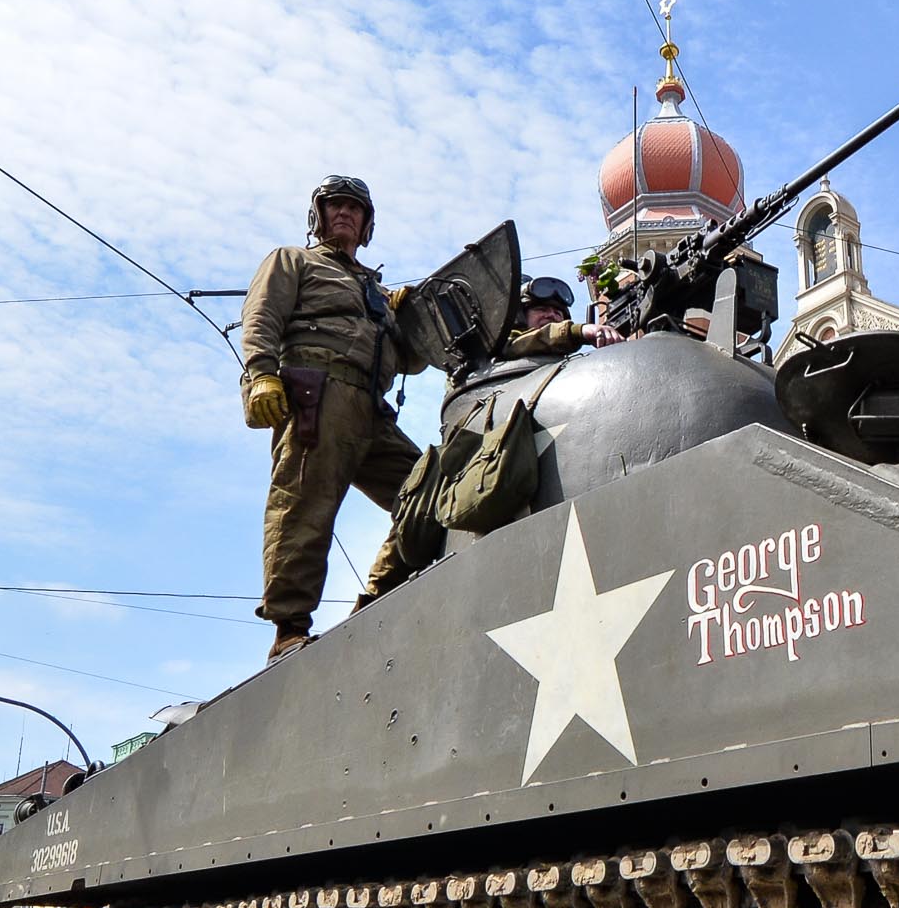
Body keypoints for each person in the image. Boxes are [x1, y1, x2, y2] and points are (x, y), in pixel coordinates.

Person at [241, 175, 431, 662]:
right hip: (316, 395)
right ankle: (288, 631)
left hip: (371, 409)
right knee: (303, 508)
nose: (344, 214)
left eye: (354, 208)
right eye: (335, 207)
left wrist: (409, 319)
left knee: (429, 491)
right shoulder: (293, 261)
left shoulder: (377, 292)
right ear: (318, 216)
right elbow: (262, 317)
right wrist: (261, 375)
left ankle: (377, 598)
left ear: (368, 223)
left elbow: (411, 360)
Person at [353, 277, 621, 607]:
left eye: (558, 311)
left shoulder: (565, 370)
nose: (551, 316)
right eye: (540, 309)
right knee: (414, 518)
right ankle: (372, 599)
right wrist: (578, 332)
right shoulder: (494, 345)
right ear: (520, 317)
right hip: (468, 452)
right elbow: (517, 344)